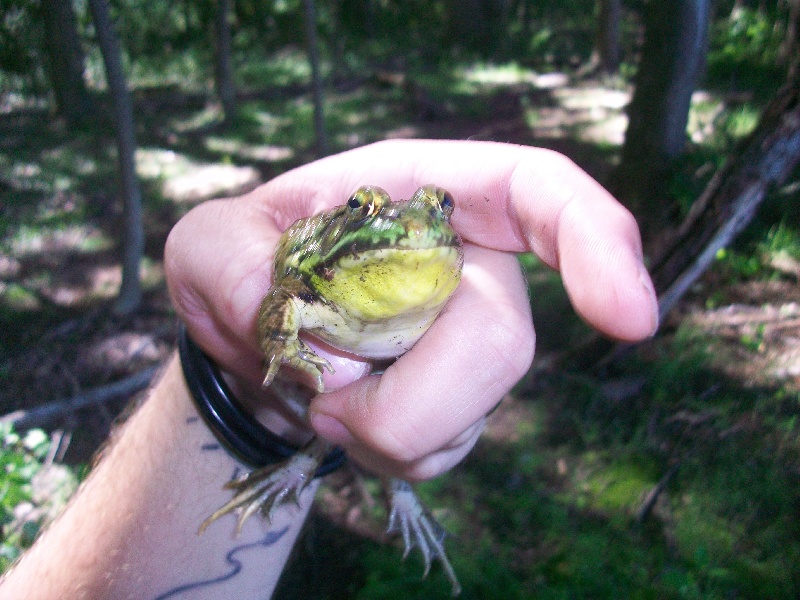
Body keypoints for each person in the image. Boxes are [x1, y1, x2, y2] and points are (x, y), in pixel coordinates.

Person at [0, 140, 658, 599]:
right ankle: (351, 476)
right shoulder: (307, 288)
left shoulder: (442, 270)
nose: (410, 221)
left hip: (365, 366)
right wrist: (261, 368)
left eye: (441, 210)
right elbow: (281, 305)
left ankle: (393, 489)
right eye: (367, 208)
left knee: (401, 411)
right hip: (325, 346)